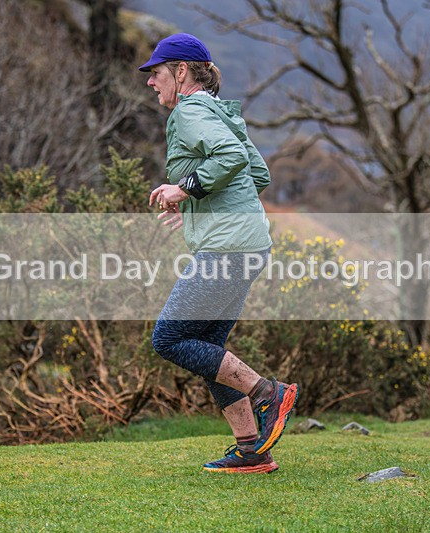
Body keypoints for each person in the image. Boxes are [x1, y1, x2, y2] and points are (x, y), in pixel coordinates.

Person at [140, 33, 299, 474]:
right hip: (249, 242)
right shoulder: (218, 111)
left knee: (168, 339)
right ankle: (252, 451)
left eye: (156, 73)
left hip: (228, 247)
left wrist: (184, 187)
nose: (151, 83)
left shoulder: (191, 110)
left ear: (181, 71)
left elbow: (228, 157)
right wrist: (196, 202)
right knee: (208, 344)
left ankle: (268, 393)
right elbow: (258, 174)